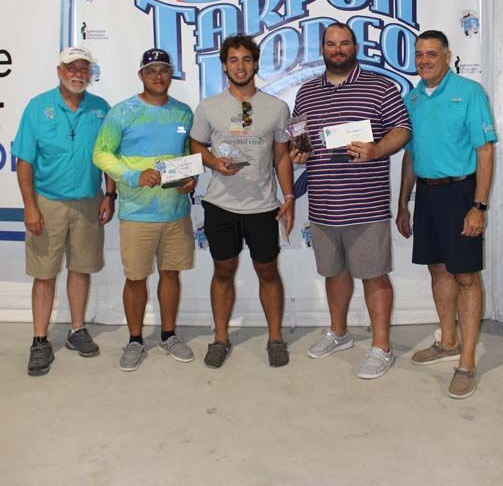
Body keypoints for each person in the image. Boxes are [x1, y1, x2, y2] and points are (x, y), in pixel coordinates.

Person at [291, 23, 411, 379]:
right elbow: (302, 140)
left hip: (367, 205)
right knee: (335, 273)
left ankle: (381, 347)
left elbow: (402, 130)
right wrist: (300, 153)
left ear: (355, 46)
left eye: (344, 43)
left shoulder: (380, 87)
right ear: (322, 48)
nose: (338, 49)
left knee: (375, 277)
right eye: (331, 44)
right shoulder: (306, 92)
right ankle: (339, 333)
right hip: (325, 205)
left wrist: (377, 150)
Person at [396, 30, 496, 399]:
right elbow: (410, 153)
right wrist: (403, 201)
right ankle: (449, 340)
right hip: (427, 193)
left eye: (432, 54)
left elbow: (485, 152)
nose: (424, 60)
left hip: (461, 192)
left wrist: (479, 206)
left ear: (447, 55)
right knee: (437, 268)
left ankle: (466, 362)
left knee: (466, 276)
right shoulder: (413, 98)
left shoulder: (469, 93)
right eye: (419, 54)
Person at [190, 34, 294, 369]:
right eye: (233, 60)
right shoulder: (208, 107)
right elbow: (196, 146)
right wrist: (213, 162)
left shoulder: (277, 108)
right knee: (223, 270)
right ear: (224, 66)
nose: (240, 66)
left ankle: (275, 338)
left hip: (263, 206)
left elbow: (282, 157)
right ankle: (220, 338)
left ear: (256, 63)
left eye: (246, 59)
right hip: (220, 205)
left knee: (267, 270)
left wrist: (289, 195)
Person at [12, 46, 116, 376]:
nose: (78, 74)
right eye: (72, 67)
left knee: (81, 268)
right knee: (44, 274)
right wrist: (30, 207)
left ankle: (76, 330)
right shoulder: (38, 107)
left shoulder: (101, 109)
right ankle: (40, 340)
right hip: (48, 203)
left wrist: (109, 194)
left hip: (88, 202)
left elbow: (109, 156)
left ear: (90, 74)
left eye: (84, 68)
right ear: (59, 71)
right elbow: (24, 160)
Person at [93, 48, 196, 372]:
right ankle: (135, 340)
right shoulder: (122, 112)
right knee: (135, 278)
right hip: (137, 214)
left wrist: (190, 178)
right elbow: (101, 154)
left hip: (176, 212)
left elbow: (189, 155)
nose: (158, 76)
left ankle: (168, 334)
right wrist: (134, 176)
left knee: (171, 274)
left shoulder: (183, 112)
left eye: (164, 70)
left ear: (170, 74)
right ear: (141, 75)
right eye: (151, 70)